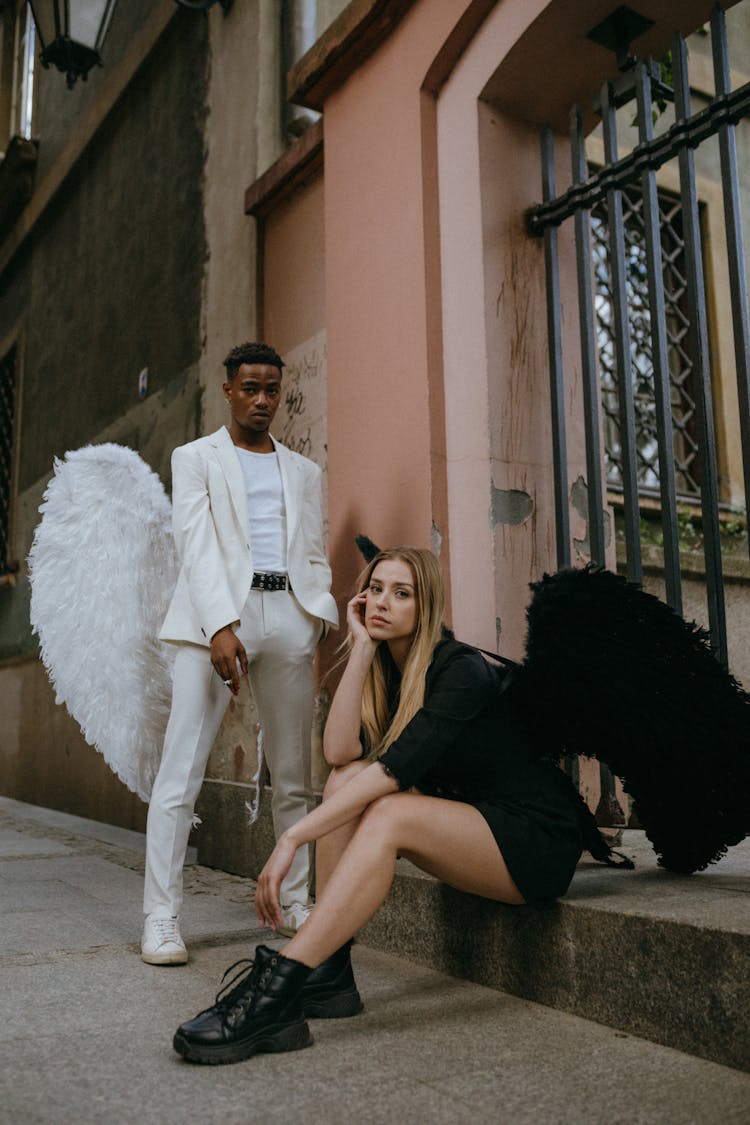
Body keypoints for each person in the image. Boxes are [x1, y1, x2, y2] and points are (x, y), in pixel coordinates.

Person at [172, 546, 587, 1064]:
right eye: (375, 589)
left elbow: (394, 774)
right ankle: (330, 975)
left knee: (387, 810)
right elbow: (339, 754)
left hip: (532, 841)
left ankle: (276, 989)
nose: (381, 602)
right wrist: (362, 647)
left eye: (402, 593)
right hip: (471, 823)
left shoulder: (460, 673)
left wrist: (292, 837)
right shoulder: (389, 668)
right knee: (346, 780)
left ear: (427, 606)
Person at [141, 342, 338, 965]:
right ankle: (161, 917)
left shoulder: (305, 472)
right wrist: (220, 625)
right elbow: (194, 545)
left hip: (287, 618)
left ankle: (296, 902)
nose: (262, 400)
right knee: (181, 771)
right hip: (215, 618)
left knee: (294, 774)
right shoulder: (195, 458)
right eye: (250, 388)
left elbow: (309, 549)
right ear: (228, 389)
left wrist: (318, 613)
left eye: (272, 390)